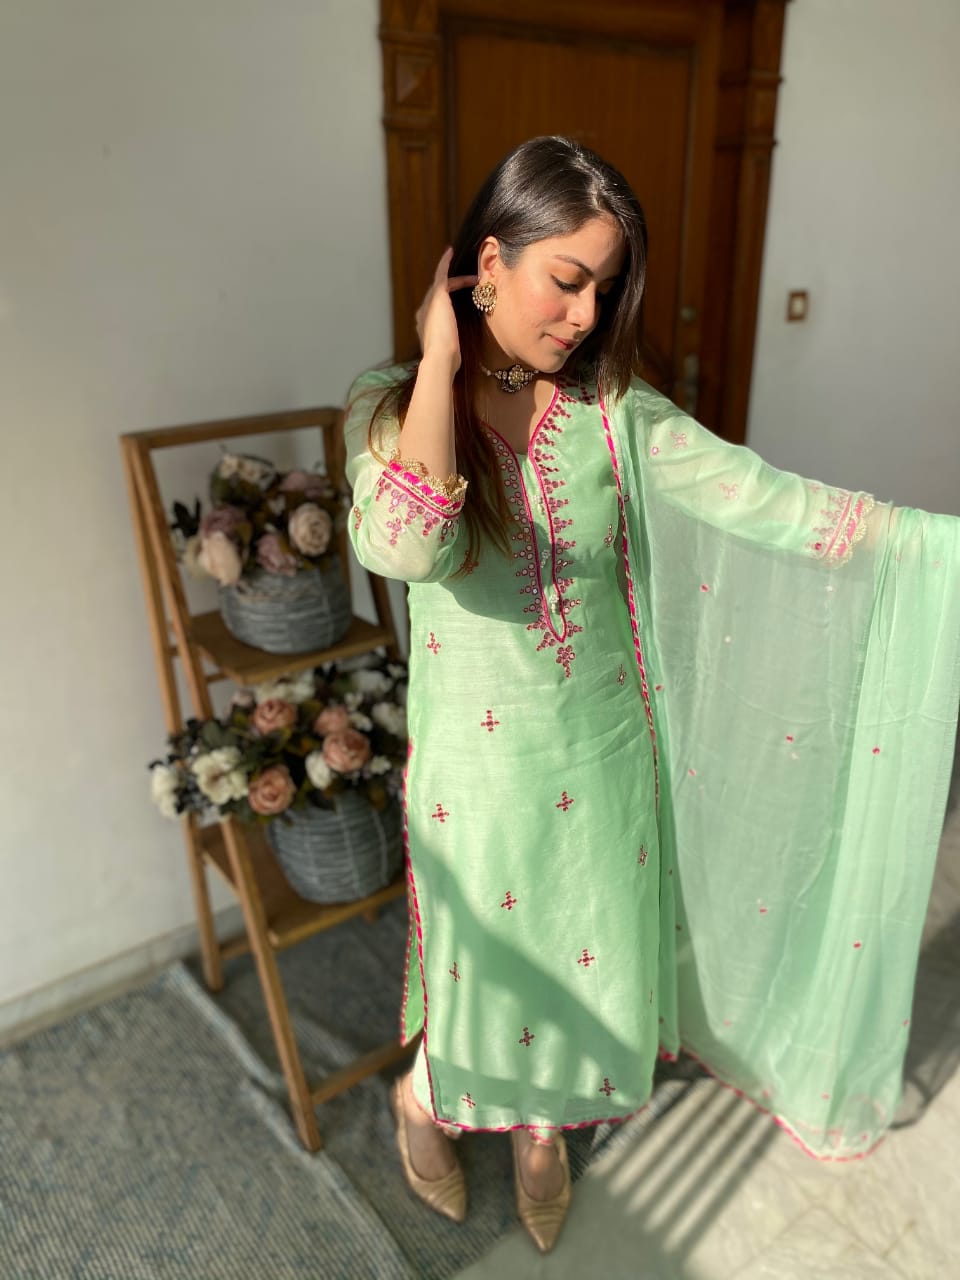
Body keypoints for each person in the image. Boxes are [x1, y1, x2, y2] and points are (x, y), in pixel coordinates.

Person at [343, 136, 960, 1254]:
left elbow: (763, 499)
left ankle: (543, 1138)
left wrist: (929, 544)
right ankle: (422, 1099)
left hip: (605, 763)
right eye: (566, 279)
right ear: (491, 261)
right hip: (480, 780)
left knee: (585, 977)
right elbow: (406, 544)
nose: (586, 314)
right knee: (490, 984)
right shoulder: (388, 409)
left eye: (606, 287)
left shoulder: (614, 412)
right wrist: (438, 360)